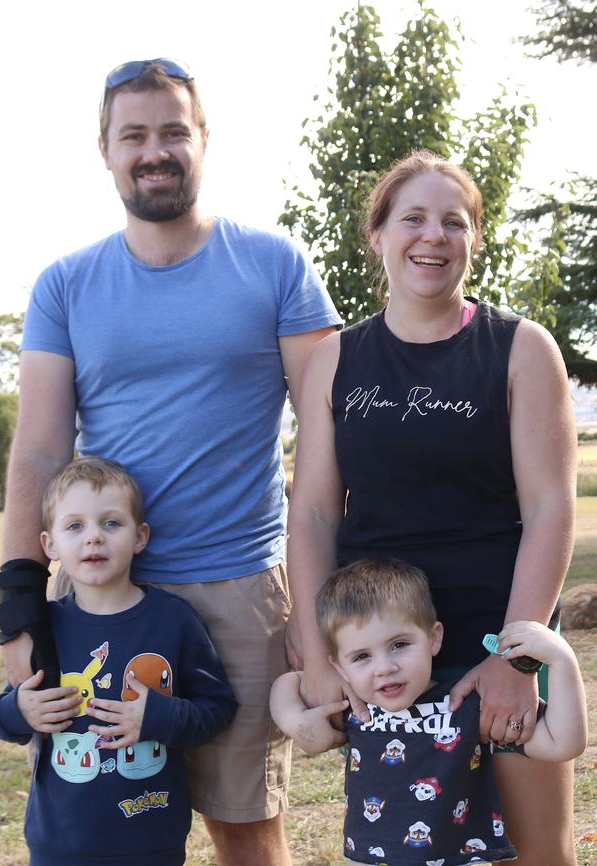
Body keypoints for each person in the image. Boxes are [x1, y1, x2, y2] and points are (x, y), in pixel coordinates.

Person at [0, 58, 341, 866]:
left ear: (203, 140)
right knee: (100, 829)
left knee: (246, 830)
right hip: (94, 599)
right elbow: (40, 450)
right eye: (135, 135)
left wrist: (322, 610)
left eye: (173, 131)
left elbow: (330, 440)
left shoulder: (275, 266)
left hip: (240, 594)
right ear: (107, 150)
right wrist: (20, 609)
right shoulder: (65, 285)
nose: (156, 150)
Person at [286, 149, 579, 865]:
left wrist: (514, 654)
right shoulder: (336, 359)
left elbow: (550, 509)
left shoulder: (520, 349)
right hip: (384, 658)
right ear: (379, 236)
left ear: (474, 241)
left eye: (454, 222)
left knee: (537, 853)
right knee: (406, 852)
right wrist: (323, 655)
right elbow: (314, 515)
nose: (434, 236)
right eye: (412, 218)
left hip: (489, 643)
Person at [0, 456, 238, 866]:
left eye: (111, 523)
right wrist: (20, 710)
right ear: (49, 545)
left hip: (150, 835)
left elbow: (217, 709)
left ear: (140, 536)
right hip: (59, 842)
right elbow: (3, 719)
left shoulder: (173, 620)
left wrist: (156, 717)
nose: (93, 538)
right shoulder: (44, 626)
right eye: (75, 526)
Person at [271, 559, 587, 865]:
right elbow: (288, 684)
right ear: (339, 666)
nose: (385, 667)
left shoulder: (463, 708)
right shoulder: (356, 710)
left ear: (433, 638)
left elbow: (563, 743)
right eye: (362, 656)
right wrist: (295, 721)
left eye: (399, 645)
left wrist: (562, 662)